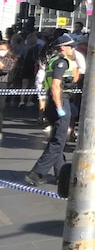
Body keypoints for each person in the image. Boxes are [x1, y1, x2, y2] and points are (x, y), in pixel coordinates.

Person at [25, 34, 79, 186]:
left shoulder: (54, 60)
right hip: (60, 101)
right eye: (71, 46)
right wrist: (60, 107)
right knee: (58, 141)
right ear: (63, 47)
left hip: (53, 101)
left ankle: (61, 174)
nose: (73, 49)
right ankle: (36, 173)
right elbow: (56, 86)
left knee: (58, 140)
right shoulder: (61, 62)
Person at [0, 39, 17, 142]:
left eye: (3, 49)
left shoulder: (11, 59)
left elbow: (5, 70)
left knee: (0, 108)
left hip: (2, 83)